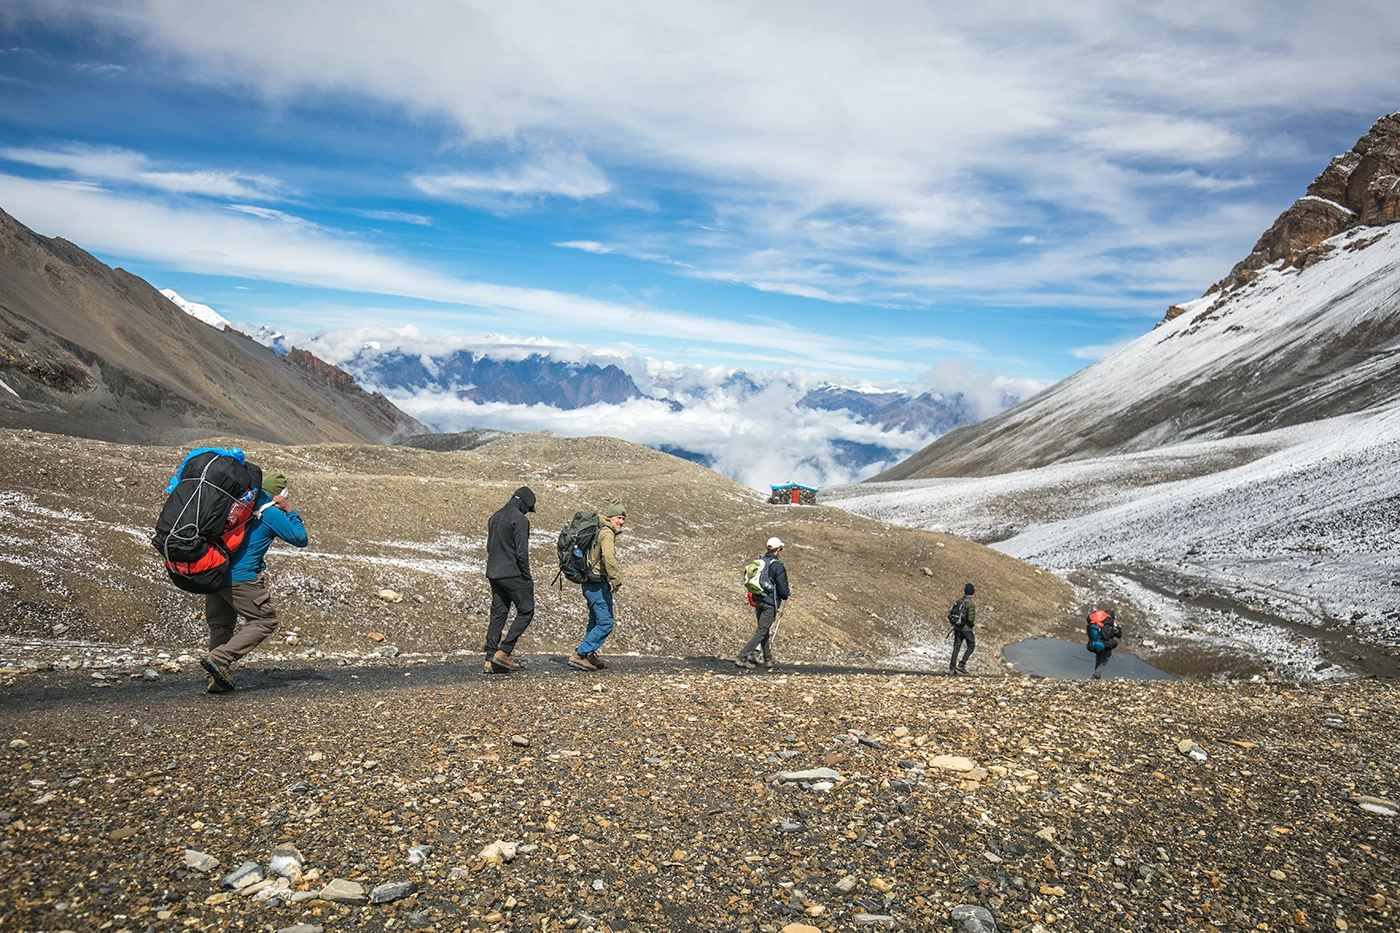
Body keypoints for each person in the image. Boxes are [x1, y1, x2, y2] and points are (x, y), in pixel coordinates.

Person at [200, 471, 307, 693]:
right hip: (241, 578)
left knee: (221, 625)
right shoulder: (269, 512)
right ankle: (220, 658)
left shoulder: (234, 506)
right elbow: (300, 538)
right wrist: (289, 510)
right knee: (265, 621)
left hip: (214, 573)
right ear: (279, 494)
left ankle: (217, 680)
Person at [483, 486, 537, 673]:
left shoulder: (495, 516)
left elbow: (490, 546)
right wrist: (527, 577)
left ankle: (490, 657)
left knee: (499, 612)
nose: (527, 512)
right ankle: (505, 652)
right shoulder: (519, 519)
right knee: (526, 610)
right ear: (524, 503)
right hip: (513, 573)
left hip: (494, 572)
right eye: (528, 509)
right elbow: (522, 552)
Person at [568, 499, 626, 672]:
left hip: (592, 582)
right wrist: (616, 580)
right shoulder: (606, 533)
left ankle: (589, 654)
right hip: (597, 583)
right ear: (609, 517)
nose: (621, 522)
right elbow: (609, 557)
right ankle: (580, 654)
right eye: (618, 517)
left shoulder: (599, 529)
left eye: (623, 519)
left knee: (595, 620)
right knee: (606, 622)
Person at [737, 537, 791, 669]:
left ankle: (768, 659)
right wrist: (787, 593)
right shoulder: (777, 566)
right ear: (778, 549)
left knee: (764, 629)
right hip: (770, 602)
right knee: (762, 631)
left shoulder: (760, 561)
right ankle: (742, 657)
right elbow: (783, 590)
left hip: (758, 599)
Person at [949, 583, 977, 675]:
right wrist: (972, 625)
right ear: (972, 593)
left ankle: (952, 668)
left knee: (956, 647)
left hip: (957, 627)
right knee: (971, 645)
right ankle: (962, 664)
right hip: (966, 629)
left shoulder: (959, 601)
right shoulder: (970, 604)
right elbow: (970, 619)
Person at [1087, 609, 1121, 680]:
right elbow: (1118, 635)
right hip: (1104, 645)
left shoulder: (1095, 623)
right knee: (1104, 660)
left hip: (1093, 644)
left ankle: (1097, 675)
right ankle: (1096, 676)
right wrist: (1116, 626)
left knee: (1099, 658)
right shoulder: (1109, 626)